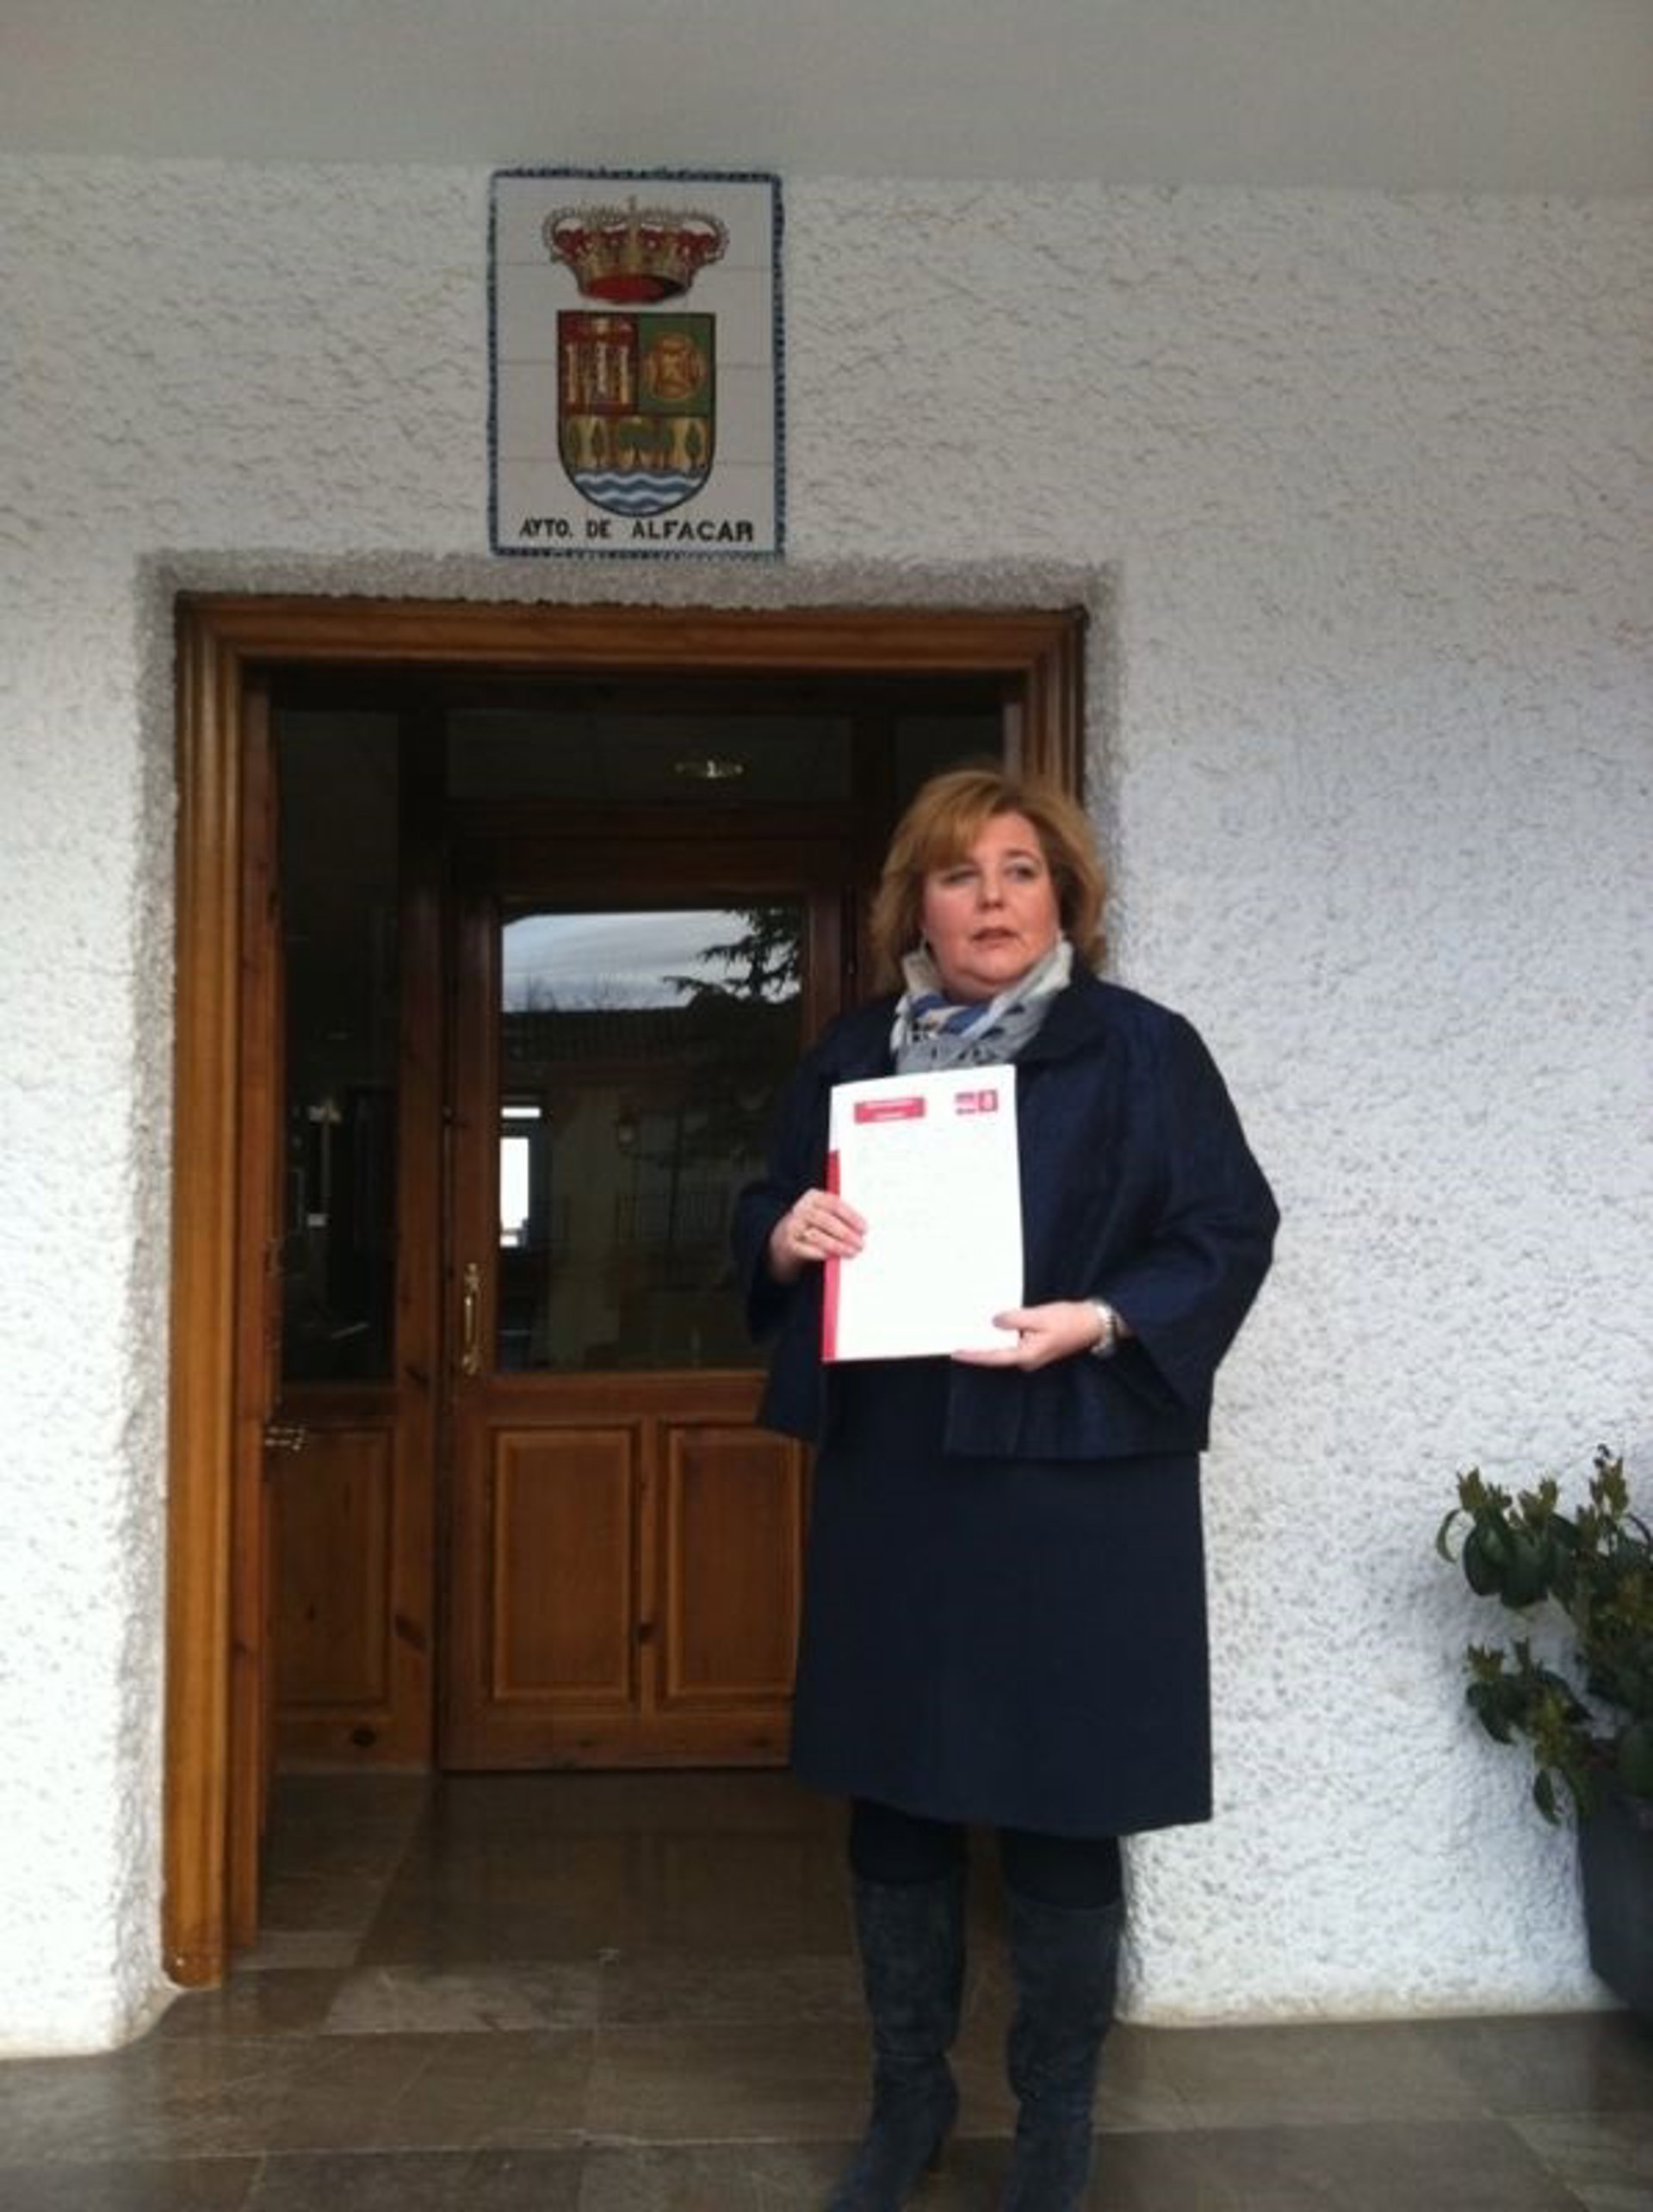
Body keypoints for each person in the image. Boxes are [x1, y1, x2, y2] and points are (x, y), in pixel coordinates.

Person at [732, 765, 1278, 2212]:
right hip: (901, 1474)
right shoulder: (853, 1053)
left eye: (1021, 871)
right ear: (916, 903)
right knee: (897, 1797)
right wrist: (785, 1233)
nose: (991, 899)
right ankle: (907, 2101)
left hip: (1079, 1475)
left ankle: (1055, 2127)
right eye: (960, 873)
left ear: (1066, 898)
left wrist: (1099, 1318)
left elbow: (1228, 1227)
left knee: (1062, 1802)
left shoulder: (1145, 1049)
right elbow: (768, 1201)